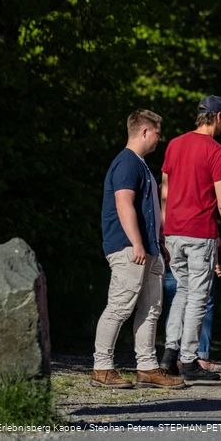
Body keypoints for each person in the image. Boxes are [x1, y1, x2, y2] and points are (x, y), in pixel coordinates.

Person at [93, 110, 184, 389]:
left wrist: (159, 241)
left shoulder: (141, 164)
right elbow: (123, 203)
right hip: (130, 248)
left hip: (149, 248)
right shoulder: (127, 163)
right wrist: (136, 243)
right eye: (157, 132)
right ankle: (102, 367)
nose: (160, 138)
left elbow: (151, 208)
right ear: (144, 131)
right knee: (120, 306)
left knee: (151, 309)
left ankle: (147, 368)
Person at [160, 96, 221, 381]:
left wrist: (164, 229)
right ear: (218, 117)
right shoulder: (216, 151)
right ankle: (189, 362)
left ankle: (169, 355)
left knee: (182, 292)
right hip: (199, 232)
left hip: (173, 231)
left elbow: (165, 191)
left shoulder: (174, 144)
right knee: (198, 297)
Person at [162, 240, 221, 372]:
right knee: (200, 300)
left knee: (179, 297)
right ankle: (195, 358)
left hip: (172, 239)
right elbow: (211, 219)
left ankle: (171, 355)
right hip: (199, 238)